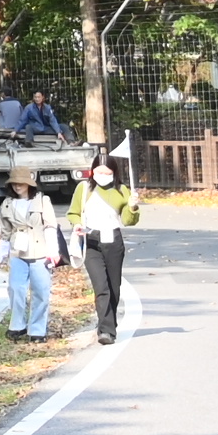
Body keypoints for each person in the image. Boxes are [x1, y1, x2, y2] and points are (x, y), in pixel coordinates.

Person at [73, 143, 138, 345]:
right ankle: (106, 331)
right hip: (91, 240)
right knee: (101, 286)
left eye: (107, 172)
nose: (103, 175)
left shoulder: (122, 190)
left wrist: (133, 207)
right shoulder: (84, 189)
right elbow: (73, 212)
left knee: (114, 286)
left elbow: (128, 220)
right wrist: (76, 225)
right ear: (92, 172)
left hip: (114, 240)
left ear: (114, 172)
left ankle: (109, 324)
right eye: (99, 172)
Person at [0, 175, 65, 339]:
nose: (17, 186)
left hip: (40, 251)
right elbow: (5, 230)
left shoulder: (42, 200)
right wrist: (1, 253)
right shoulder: (7, 203)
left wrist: (53, 250)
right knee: (15, 288)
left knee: (41, 291)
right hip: (17, 251)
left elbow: (50, 226)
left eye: (21, 183)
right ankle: (17, 325)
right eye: (14, 184)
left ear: (29, 184)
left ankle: (37, 330)